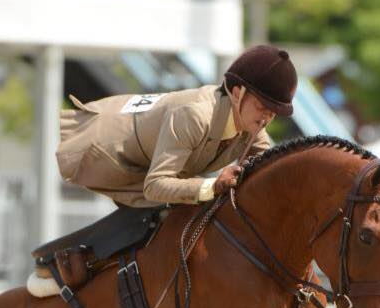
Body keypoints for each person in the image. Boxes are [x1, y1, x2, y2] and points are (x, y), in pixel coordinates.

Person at [55, 45, 297, 210]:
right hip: (104, 147)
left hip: (147, 159)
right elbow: (155, 186)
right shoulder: (195, 115)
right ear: (236, 93)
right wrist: (213, 185)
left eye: (274, 111)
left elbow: (271, 173)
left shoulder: (253, 126)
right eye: (263, 105)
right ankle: (56, 269)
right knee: (161, 218)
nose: (268, 116)